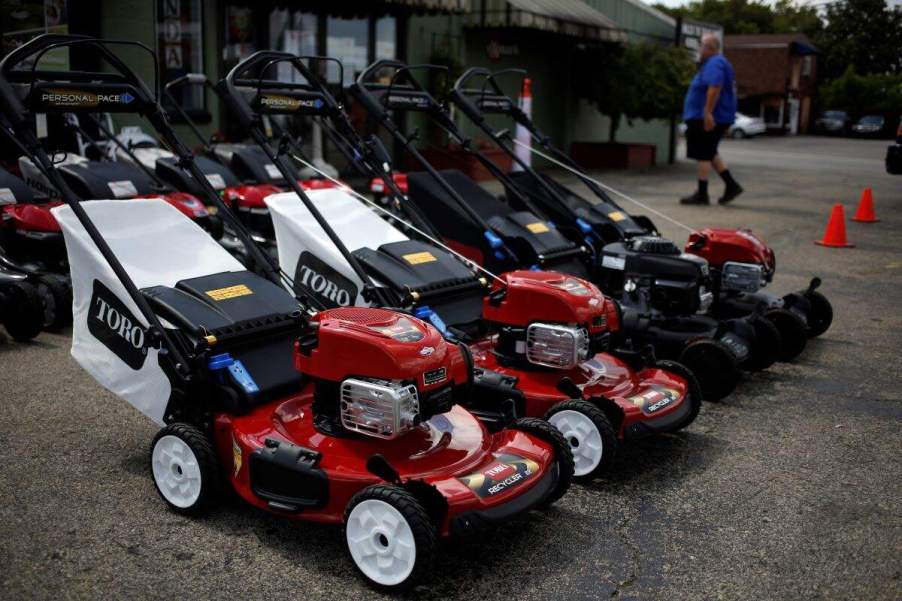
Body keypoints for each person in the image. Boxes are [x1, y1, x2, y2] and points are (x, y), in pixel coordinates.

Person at [680, 34, 742, 205]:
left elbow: (714, 86)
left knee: (703, 154)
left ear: (709, 48)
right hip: (707, 117)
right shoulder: (716, 63)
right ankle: (731, 185)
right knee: (709, 151)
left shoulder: (715, 63)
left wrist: (707, 113)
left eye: (701, 46)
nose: (699, 49)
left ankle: (702, 194)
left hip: (706, 118)